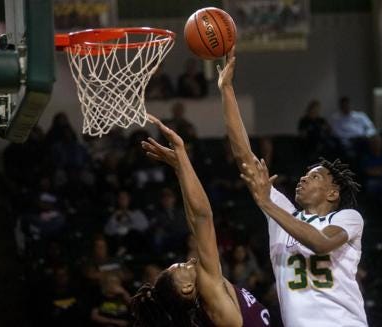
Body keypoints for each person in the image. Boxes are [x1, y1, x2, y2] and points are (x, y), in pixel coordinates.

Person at [217, 48, 368, 326]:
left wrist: (266, 204)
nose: (303, 178)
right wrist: (226, 90)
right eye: (304, 175)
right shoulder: (283, 212)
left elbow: (320, 243)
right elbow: (245, 159)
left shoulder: (347, 218)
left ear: (333, 193)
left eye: (314, 177)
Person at [131, 115, 270, 327]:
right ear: (186, 288)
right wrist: (182, 155)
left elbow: (195, 222)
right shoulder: (210, 291)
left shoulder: (205, 304)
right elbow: (203, 217)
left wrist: (180, 170)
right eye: (183, 267)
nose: (191, 261)